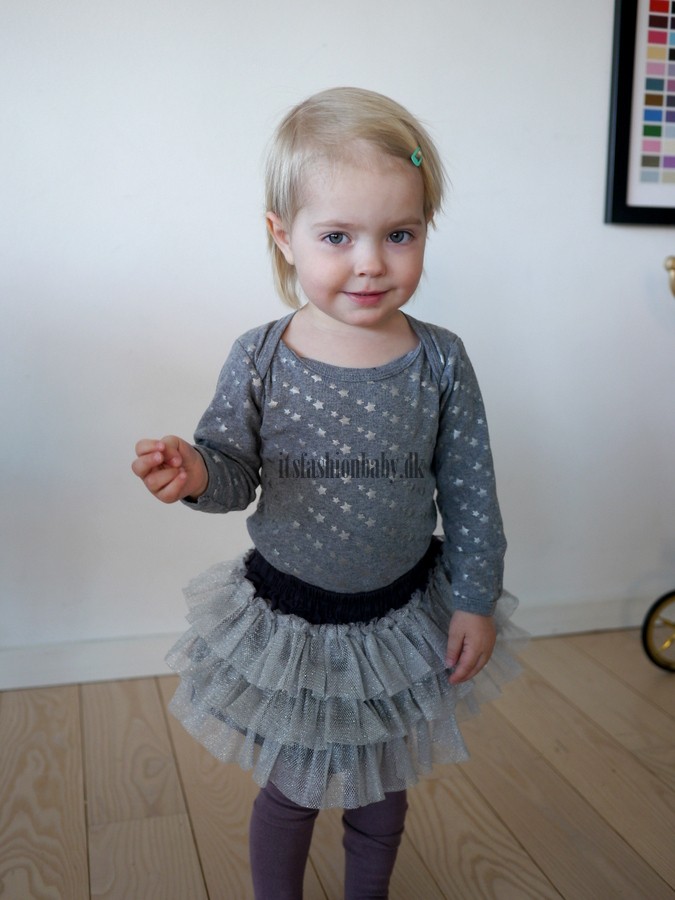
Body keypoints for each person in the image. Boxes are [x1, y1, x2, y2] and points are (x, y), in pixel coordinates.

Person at [132, 86, 522, 900]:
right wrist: (196, 472)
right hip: (294, 620)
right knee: (293, 789)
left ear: (424, 229)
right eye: (337, 236)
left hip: (400, 616)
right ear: (284, 236)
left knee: (382, 790)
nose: (371, 262)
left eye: (399, 234)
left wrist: (474, 599)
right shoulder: (261, 355)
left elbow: (471, 492)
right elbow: (232, 470)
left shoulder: (440, 360)